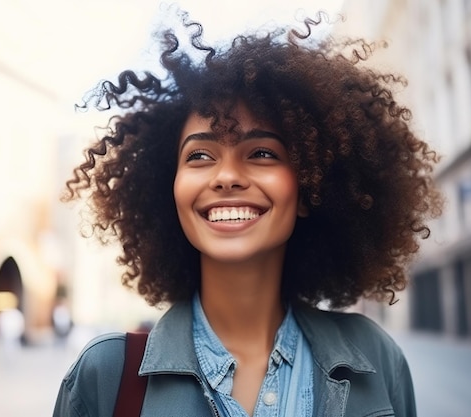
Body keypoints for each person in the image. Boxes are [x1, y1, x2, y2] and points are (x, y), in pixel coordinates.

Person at [53, 10, 442, 417]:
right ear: (169, 189)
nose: (226, 176)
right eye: (200, 155)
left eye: (261, 153)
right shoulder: (106, 376)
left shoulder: (376, 359)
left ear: (310, 185)